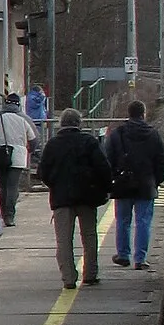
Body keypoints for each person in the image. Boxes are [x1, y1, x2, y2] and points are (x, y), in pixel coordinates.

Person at [35, 107, 114, 288]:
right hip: (87, 197)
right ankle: (90, 274)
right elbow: (103, 168)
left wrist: (54, 185)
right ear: (79, 123)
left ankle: (69, 279)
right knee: (89, 236)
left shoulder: (53, 144)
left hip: (62, 199)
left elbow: (43, 172)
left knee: (63, 240)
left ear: (61, 123)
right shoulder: (89, 142)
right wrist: (106, 188)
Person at [104, 99, 164, 269]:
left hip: (123, 183)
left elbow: (108, 159)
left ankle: (123, 255)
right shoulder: (153, 134)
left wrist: (113, 177)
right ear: (144, 114)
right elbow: (163, 161)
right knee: (143, 221)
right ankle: (140, 258)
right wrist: (155, 180)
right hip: (146, 184)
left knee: (123, 221)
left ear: (129, 114)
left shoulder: (117, 134)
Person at [0, 88, 34, 226]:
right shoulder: (24, 119)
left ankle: (3, 213)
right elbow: (34, 139)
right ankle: (10, 215)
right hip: (18, 156)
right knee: (13, 186)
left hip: (1, 156)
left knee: (4, 186)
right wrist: (28, 150)